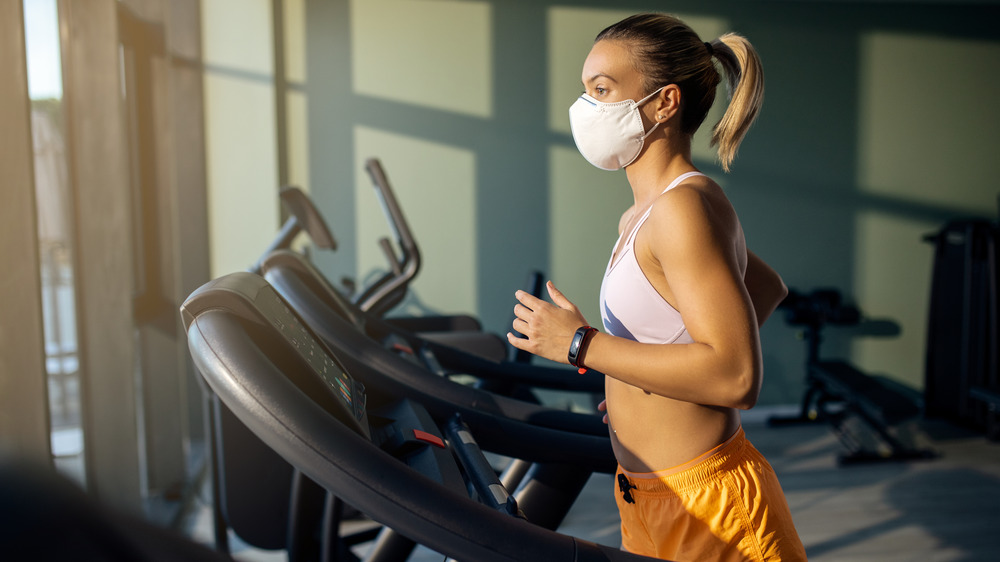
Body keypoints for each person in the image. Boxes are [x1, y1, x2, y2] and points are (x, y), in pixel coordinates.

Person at [507, 13, 807, 562]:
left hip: (711, 504)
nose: (587, 108)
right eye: (586, 91)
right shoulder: (645, 213)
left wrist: (580, 345)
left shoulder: (682, 208)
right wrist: (640, 387)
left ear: (664, 103)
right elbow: (765, 286)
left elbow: (737, 376)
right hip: (648, 496)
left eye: (602, 90)